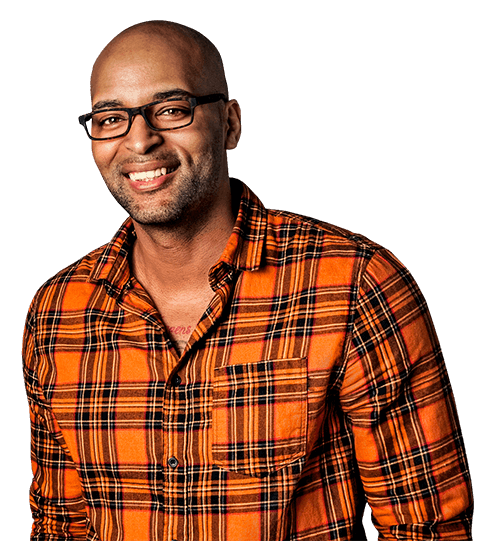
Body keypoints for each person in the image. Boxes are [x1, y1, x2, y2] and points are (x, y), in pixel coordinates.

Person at [22, 20, 473, 541]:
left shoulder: (356, 284)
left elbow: (428, 528)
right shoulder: (58, 310)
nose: (139, 140)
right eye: (110, 118)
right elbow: (59, 527)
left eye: (172, 109)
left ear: (230, 124)